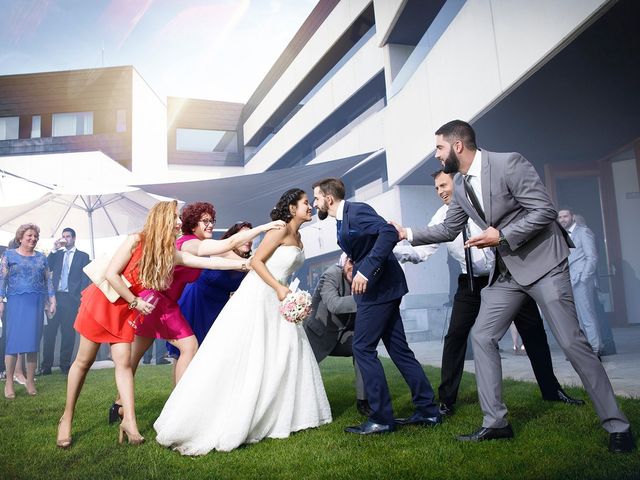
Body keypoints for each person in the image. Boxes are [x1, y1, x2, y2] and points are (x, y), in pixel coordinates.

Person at [393, 120, 633, 453]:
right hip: (507, 273)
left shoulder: (509, 163)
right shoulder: (461, 186)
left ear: (457, 146)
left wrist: (501, 236)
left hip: (544, 264)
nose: (436, 156)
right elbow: (449, 229)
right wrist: (406, 233)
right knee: (482, 335)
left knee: (571, 341)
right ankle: (496, 423)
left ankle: (617, 425)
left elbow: (544, 210)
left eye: (439, 148)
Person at [56, 200, 253, 449]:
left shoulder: (169, 251)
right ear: (162, 219)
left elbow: (209, 263)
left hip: (127, 309)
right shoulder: (136, 240)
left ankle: (128, 420)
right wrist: (135, 302)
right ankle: (67, 417)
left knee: (125, 363)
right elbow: (111, 275)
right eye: (174, 218)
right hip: (105, 302)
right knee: (83, 362)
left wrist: (246, 264)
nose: (179, 222)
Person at [154, 189, 332, 455]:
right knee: (253, 352)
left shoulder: (300, 235)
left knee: (285, 351)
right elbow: (257, 262)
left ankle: (289, 412)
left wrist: (288, 293)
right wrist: (279, 289)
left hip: (280, 295)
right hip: (262, 293)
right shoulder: (279, 231)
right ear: (292, 208)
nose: (310, 206)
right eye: (306, 203)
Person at [393, 170, 584, 416]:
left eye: (443, 185)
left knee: (533, 331)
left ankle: (552, 390)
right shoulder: (442, 216)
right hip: (470, 283)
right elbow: (421, 251)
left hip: (506, 276)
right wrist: (393, 251)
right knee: (455, 337)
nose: (440, 192)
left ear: (458, 183)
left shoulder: (484, 206)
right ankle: (446, 401)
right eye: (436, 189)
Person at [111, 208, 282, 423]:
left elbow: (214, 260)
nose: (210, 225)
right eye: (205, 221)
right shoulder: (190, 243)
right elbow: (227, 244)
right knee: (166, 351)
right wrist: (264, 227)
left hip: (168, 302)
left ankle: (124, 406)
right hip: (158, 300)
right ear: (193, 225)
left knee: (143, 355)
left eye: (212, 221)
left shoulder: (197, 246)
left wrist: (245, 264)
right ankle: (172, 407)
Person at [312, 178, 440, 435]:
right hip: (384, 289)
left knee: (362, 347)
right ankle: (428, 411)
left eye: (316, 198)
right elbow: (366, 245)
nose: (315, 203)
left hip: (378, 290)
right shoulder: (342, 220)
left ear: (328, 199)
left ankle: (382, 417)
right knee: (399, 350)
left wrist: (366, 271)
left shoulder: (356, 210)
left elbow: (389, 233)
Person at [167, 221, 253, 358]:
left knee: (212, 353)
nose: (248, 241)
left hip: (218, 307)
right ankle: (181, 380)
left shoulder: (248, 263)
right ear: (234, 238)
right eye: (244, 236)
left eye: (251, 237)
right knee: (188, 350)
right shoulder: (224, 252)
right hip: (197, 301)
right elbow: (248, 265)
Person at [304, 254, 370, 416]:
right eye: (350, 261)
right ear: (343, 262)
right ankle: (304, 406)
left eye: (358, 264)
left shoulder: (366, 279)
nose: (353, 268)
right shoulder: (331, 274)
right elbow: (335, 305)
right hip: (318, 333)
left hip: (344, 336)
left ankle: (363, 401)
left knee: (362, 348)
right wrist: (369, 299)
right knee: (303, 371)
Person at [0, 224, 56, 399]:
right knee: (13, 343)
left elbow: (48, 280)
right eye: (29, 236)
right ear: (20, 237)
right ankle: (9, 382)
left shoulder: (41, 258)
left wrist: (52, 299)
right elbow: (2, 279)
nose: (33, 239)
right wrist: (0, 301)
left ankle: (30, 381)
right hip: (16, 301)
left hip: (36, 302)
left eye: (35, 236)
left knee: (33, 342)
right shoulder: (8, 255)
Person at [41, 227, 90, 375]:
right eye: (63, 236)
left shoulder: (83, 256)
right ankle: (46, 366)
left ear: (74, 238)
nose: (65, 239)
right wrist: (54, 249)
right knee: (50, 332)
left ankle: (65, 364)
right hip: (54, 298)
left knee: (68, 332)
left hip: (71, 298)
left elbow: (85, 278)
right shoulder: (58, 254)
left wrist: (80, 298)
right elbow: (46, 266)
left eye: (68, 236)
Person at [557, 207, 602, 355]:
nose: (563, 219)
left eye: (565, 216)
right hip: (567, 280)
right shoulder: (561, 235)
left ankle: (595, 349)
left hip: (581, 280)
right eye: (560, 217)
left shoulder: (583, 232)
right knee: (575, 318)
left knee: (587, 315)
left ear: (573, 217)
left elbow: (592, 257)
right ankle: (583, 350)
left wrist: (584, 278)